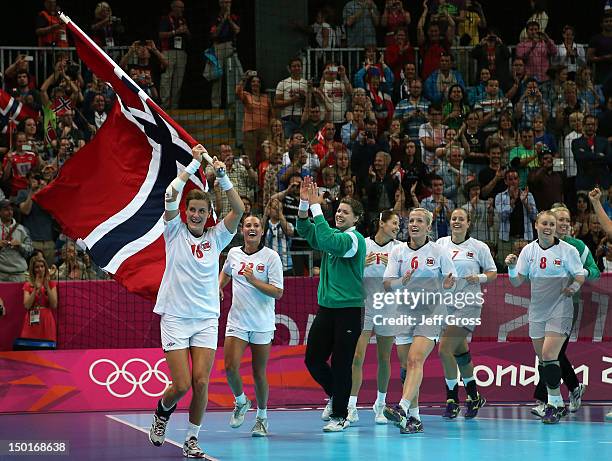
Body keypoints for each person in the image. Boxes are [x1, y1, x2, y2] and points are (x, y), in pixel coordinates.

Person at [148, 144, 245, 458]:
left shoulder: (216, 237)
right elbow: (170, 195)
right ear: (186, 212)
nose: (197, 215)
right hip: (175, 317)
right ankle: (162, 412)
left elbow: (240, 210)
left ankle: (192, 439)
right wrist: (194, 163)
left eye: (202, 211)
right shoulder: (174, 231)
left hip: (205, 318)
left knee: (201, 381)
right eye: (193, 210)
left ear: (207, 215)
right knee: (181, 384)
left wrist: (224, 176)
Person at [296, 176, 366, 432]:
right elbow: (306, 231)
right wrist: (304, 205)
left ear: (356, 218)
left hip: (349, 310)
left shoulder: (353, 239)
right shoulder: (331, 235)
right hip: (327, 309)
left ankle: (340, 415)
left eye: (345, 212)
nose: (339, 215)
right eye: (338, 211)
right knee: (313, 360)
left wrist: (317, 207)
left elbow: (327, 241)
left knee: (341, 363)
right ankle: (338, 398)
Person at [505, 210, 585, 424]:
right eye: (545, 224)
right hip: (537, 309)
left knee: (550, 354)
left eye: (552, 223)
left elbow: (579, 273)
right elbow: (517, 282)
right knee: (544, 361)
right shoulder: (528, 251)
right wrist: (512, 268)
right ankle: (556, 403)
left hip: (560, 307)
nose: (548, 227)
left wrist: (574, 286)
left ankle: (553, 405)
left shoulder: (567, 250)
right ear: (536, 226)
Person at [382, 208, 456, 434]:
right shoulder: (398, 252)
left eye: (419, 221)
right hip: (404, 312)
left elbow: (452, 280)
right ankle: (415, 418)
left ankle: (402, 408)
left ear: (428, 226)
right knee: (407, 368)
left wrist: (447, 285)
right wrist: (401, 283)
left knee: (415, 360)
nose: (414, 224)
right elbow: (387, 284)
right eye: (411, 220)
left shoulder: (439, 251)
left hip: (431, 312)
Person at [530, 204, 600, 418]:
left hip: (568, 303)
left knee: (551, 354)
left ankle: (545, 401)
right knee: (553, 354)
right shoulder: (539, 245)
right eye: (558, 220)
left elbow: (596, 271)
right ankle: (573, 389)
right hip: (543, 305)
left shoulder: (576, 247)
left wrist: (578, 272)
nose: (562, 224)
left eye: (566, 220)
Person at [219, 214, 284, 437]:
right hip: (237, 320)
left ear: (262, 231)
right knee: (230, 367)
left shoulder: (271, 257)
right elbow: (226, 273)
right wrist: (219, 286)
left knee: (258, 372)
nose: (252, 228)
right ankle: (241, 401)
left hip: (262, 323)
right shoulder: (234, 254)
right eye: (248, 225)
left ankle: (262, 418)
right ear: (242, 230)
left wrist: (253, 280)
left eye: (256, 225)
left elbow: (278, 292)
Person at [437, 208, 496, 418]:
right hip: (446, 304)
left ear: (468, 223)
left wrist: (478, 278)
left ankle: (451, 399)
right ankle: (474, 395)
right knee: (460, 353)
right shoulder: (440, 244)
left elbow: (492, 272)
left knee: (444, 350)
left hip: (469, 303)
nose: (457, 221)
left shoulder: (479, 247)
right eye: (454, 218)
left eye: (461, 219)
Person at [348, 210, 402, 424]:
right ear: (382, 223)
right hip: (364, 307)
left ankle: (380, 404)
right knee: (357, 358)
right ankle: (351, 406)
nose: (397, 227)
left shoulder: (399, 249)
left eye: (399, 224)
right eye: (394, 223)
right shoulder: (364, 245)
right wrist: (361, 264)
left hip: (389, 308)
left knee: (384, 358)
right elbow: (349, 274)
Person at [19, 257, 58, 346]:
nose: (40, 269)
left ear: (45, 267)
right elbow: (27, 305)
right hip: (32, 319)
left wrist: (47, 286)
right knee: (29, 350)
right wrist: (35, 289)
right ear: (33, 269)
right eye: (37, 267)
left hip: (46, 319)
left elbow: (54, 305)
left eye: (42, 266)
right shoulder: (28, 285)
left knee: (47, 349)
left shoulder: (51, 283)